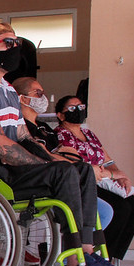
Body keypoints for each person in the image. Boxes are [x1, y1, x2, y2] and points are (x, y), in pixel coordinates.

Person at [0, 23, 131, 266]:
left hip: (9, 169)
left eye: (17, 43)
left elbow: (24, 136)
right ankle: (75, 263)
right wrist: (45, 166)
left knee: (79, 169)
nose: (15, 49)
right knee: (62, 173)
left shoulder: (6, 89)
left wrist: (55, 159)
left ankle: (87, 254)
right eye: (8, 44)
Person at [11, 77, 114, 230]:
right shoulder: (21, 127)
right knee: (103, 209)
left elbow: (61, 152)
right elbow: (46, 155)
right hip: (47, 177)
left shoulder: (44, 127)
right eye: (38, 93)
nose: (43, 98)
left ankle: (86, 247)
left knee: (107, 209)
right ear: (22, 98)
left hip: (65, 173)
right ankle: (77, 248)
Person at [55, 95, 134, 262]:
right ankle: (100, 256)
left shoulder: (88, 133)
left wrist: (120, 176)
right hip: (85, 183)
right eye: (72, 108)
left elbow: (107, 160)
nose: (78, 111)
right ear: (61, 115)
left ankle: (114, 256)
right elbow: (81, 166)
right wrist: (113, 175)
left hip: (103, 181)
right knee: (121, 208)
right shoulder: (61, 135)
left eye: (81, 107)